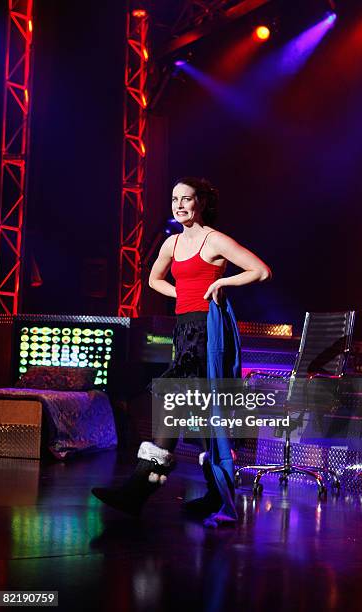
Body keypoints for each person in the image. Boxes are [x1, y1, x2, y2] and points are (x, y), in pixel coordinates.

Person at [92, 177, 271, 523]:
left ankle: (140, 489)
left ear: (200, 202)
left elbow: (260, 271)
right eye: (174, 199)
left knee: (174, 403)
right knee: (201, 417)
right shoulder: (172, 244)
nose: (178, 205)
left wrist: (221, 281)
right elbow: (154, 280)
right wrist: (183, 295)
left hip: (209, 334)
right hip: (184, 332)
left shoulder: (214, 239)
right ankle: (213, 494)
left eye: (186, 199)